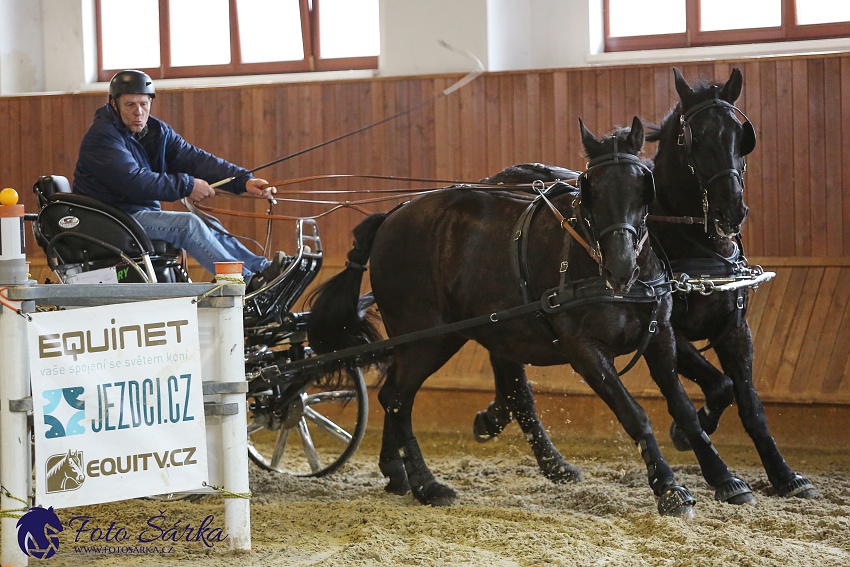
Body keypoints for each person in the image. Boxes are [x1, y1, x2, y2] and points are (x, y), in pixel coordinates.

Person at [73, 69, 284, 291]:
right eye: (130, 105)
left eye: (144, 104)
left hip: (134, 215)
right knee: (187, 225)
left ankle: (261, 270)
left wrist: (243, 181)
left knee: (208, 222)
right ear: (114, 104)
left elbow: (196, 160)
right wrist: (188, 185)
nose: (139, 112)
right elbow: (134, 181)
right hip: (114, 220)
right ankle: (245, 283)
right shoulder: (102, 137)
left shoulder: (156, 132)